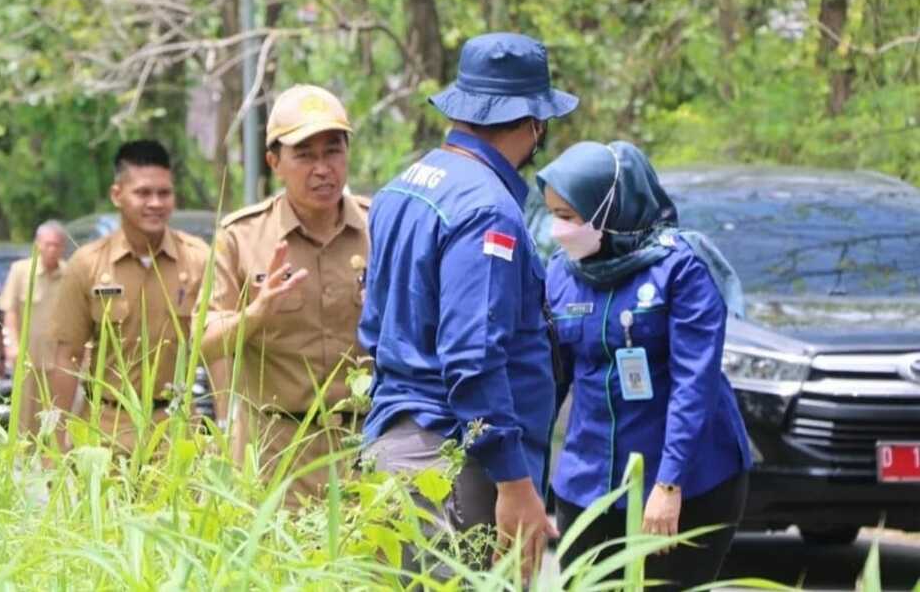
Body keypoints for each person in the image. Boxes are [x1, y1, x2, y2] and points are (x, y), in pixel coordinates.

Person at [358, 32, 578, 577]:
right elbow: (472, 358)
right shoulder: (488, 210)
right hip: (457, 464)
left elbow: (372, 329)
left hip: (393, 446)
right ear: (533, 123)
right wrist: (515, 484)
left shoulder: (400, 188)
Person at [537, 140, 751, 590]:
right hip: (589, 477)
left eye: (569, 216)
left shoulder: (681, 267)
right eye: (552, 214)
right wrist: (530, 480)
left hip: (687, 478)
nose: (558, 229)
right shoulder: (561, 273)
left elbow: (696, 383)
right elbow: (549, 381)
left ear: (609, 211)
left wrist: (670, 483)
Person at [200, 84, 369, 503]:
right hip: (276, 453)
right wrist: (257, 313)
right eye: (305, 155)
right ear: (274, 162)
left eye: (333, 151)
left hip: (366, 449)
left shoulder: (381, 226)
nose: (322, 168)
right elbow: (203, 340)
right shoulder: (240, 237)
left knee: (371, 568)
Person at [41, 140, 209, 453]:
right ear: (117, 195)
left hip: (176, 430)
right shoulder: (89, 264)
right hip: (104, 432)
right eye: (143, 193)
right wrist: (55, 441)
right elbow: (67, 357)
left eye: (164, 193)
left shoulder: (198, 260)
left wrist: (224, 433)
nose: (156, 203)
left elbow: (221, 352)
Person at [0, 221, 68, 435]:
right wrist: (12, 344)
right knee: (24, 413)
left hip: (58, 358)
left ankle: (54, 460)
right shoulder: (21, 271)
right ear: (38, 245)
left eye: (57, 245)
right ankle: (23, 460)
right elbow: (9, 309)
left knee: (58, 414)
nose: (52, 250)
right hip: (28, 355)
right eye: (47, 244)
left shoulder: (70, 274)